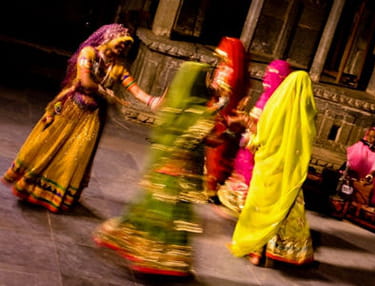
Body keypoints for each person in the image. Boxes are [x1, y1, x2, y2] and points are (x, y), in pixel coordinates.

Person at [1, 24, 161, 213]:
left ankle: (57, 195)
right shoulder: (89, 53)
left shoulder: (117, 67)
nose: (122, 48)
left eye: (126, 45)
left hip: (92, 117)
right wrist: (103, 90)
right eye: (120, 43)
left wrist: (152, 101)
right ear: (108, 38)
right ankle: (31, 186)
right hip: (72, 108)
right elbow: (85, 81)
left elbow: (135, 90)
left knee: (77, 154)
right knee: (52, 145)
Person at [93, 61, 222, 276]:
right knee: (172, 218)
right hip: (180, 177)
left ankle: (135, 246)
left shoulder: (172, 108)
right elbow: (213, 139)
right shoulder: (199, 113)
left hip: (160, 172)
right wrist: (224, 106)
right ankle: (160, 259)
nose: (209, 83)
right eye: (207, 79)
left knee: (149, 210)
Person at [229, 71, 317, 267]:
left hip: (267, 169)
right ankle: (282, 252)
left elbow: (260, 137)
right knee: (284, 209)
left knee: (260, 208)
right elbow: (305, 147)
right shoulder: (307, 114)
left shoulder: (274, 108)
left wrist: (249, 135)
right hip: (290, 173)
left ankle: (255, 251)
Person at [218, 60, 291, 215]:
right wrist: (240, 119)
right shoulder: (265, 97)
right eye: (267, 73)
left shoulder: (281, 105)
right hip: (249, 145)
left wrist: (245, 121)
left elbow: (267, 132)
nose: (266, 79)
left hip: (262, 150)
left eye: (272, 75)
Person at [204, 36, 248, 202]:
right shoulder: (224, 68)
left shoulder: (233, 73)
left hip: (223, 115)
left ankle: (213, 186)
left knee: (218, 150)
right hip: (215, 110)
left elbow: (226, 97)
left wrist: (216, 109)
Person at [345, 127, 375, 206]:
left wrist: (370, 175)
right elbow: (350, 160)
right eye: (368, 135)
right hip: (351, 174)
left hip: (364, 180)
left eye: (373, 137)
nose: (369, 138)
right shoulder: (359, 146)